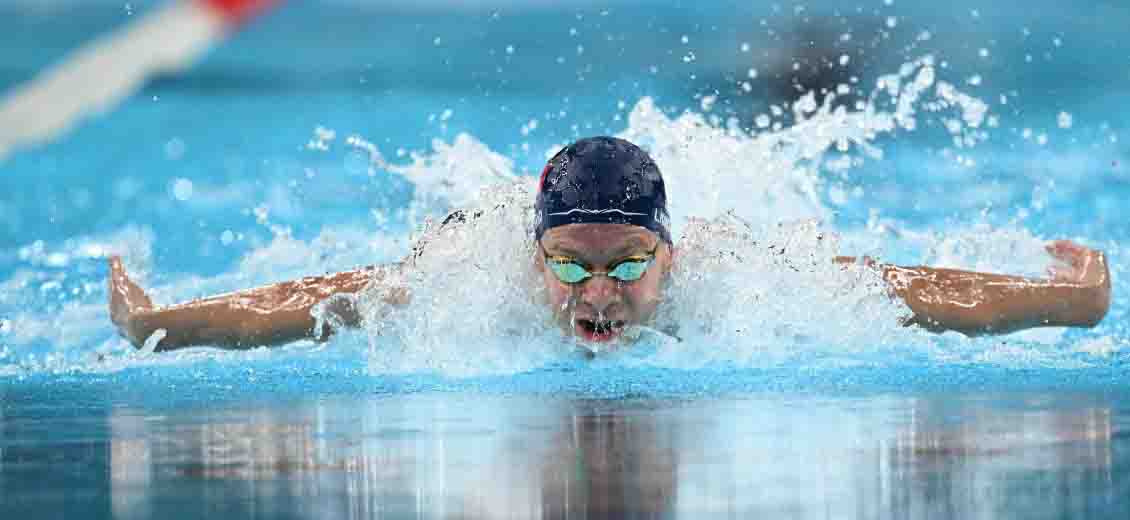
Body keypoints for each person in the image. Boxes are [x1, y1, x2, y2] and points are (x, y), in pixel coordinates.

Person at [108, 137, 1112, 352]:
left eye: (628, 263)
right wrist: (164, 323)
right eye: (572, 266)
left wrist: (1067, 299)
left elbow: (909, 289)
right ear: (533, 258)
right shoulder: (476, 275)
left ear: (667, 257)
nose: (599, 291)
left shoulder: (744, 280)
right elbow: (317, 301)